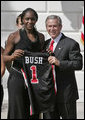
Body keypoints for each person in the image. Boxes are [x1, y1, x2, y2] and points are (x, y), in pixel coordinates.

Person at [3, 8, 45, 119]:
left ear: (36, 20)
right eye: (27, 19)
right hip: (18, 77)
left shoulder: (40, 37)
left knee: (33, 109)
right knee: (18, 110)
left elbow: (42, 57)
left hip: (34, 79)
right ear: (22, 19)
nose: (29, 21)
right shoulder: (14, 36)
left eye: (32, 19)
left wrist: (47, 53)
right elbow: (3, 57)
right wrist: (12, 56)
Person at [44, 15, 83, 119]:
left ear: (60, 27)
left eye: (55, 26)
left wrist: (59, 63)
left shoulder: (71, 43)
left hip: (66, 94)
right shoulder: (44, 45)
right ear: (46, 27)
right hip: (49, 94)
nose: (52, 29)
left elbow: (78, 64)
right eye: (49, 26)